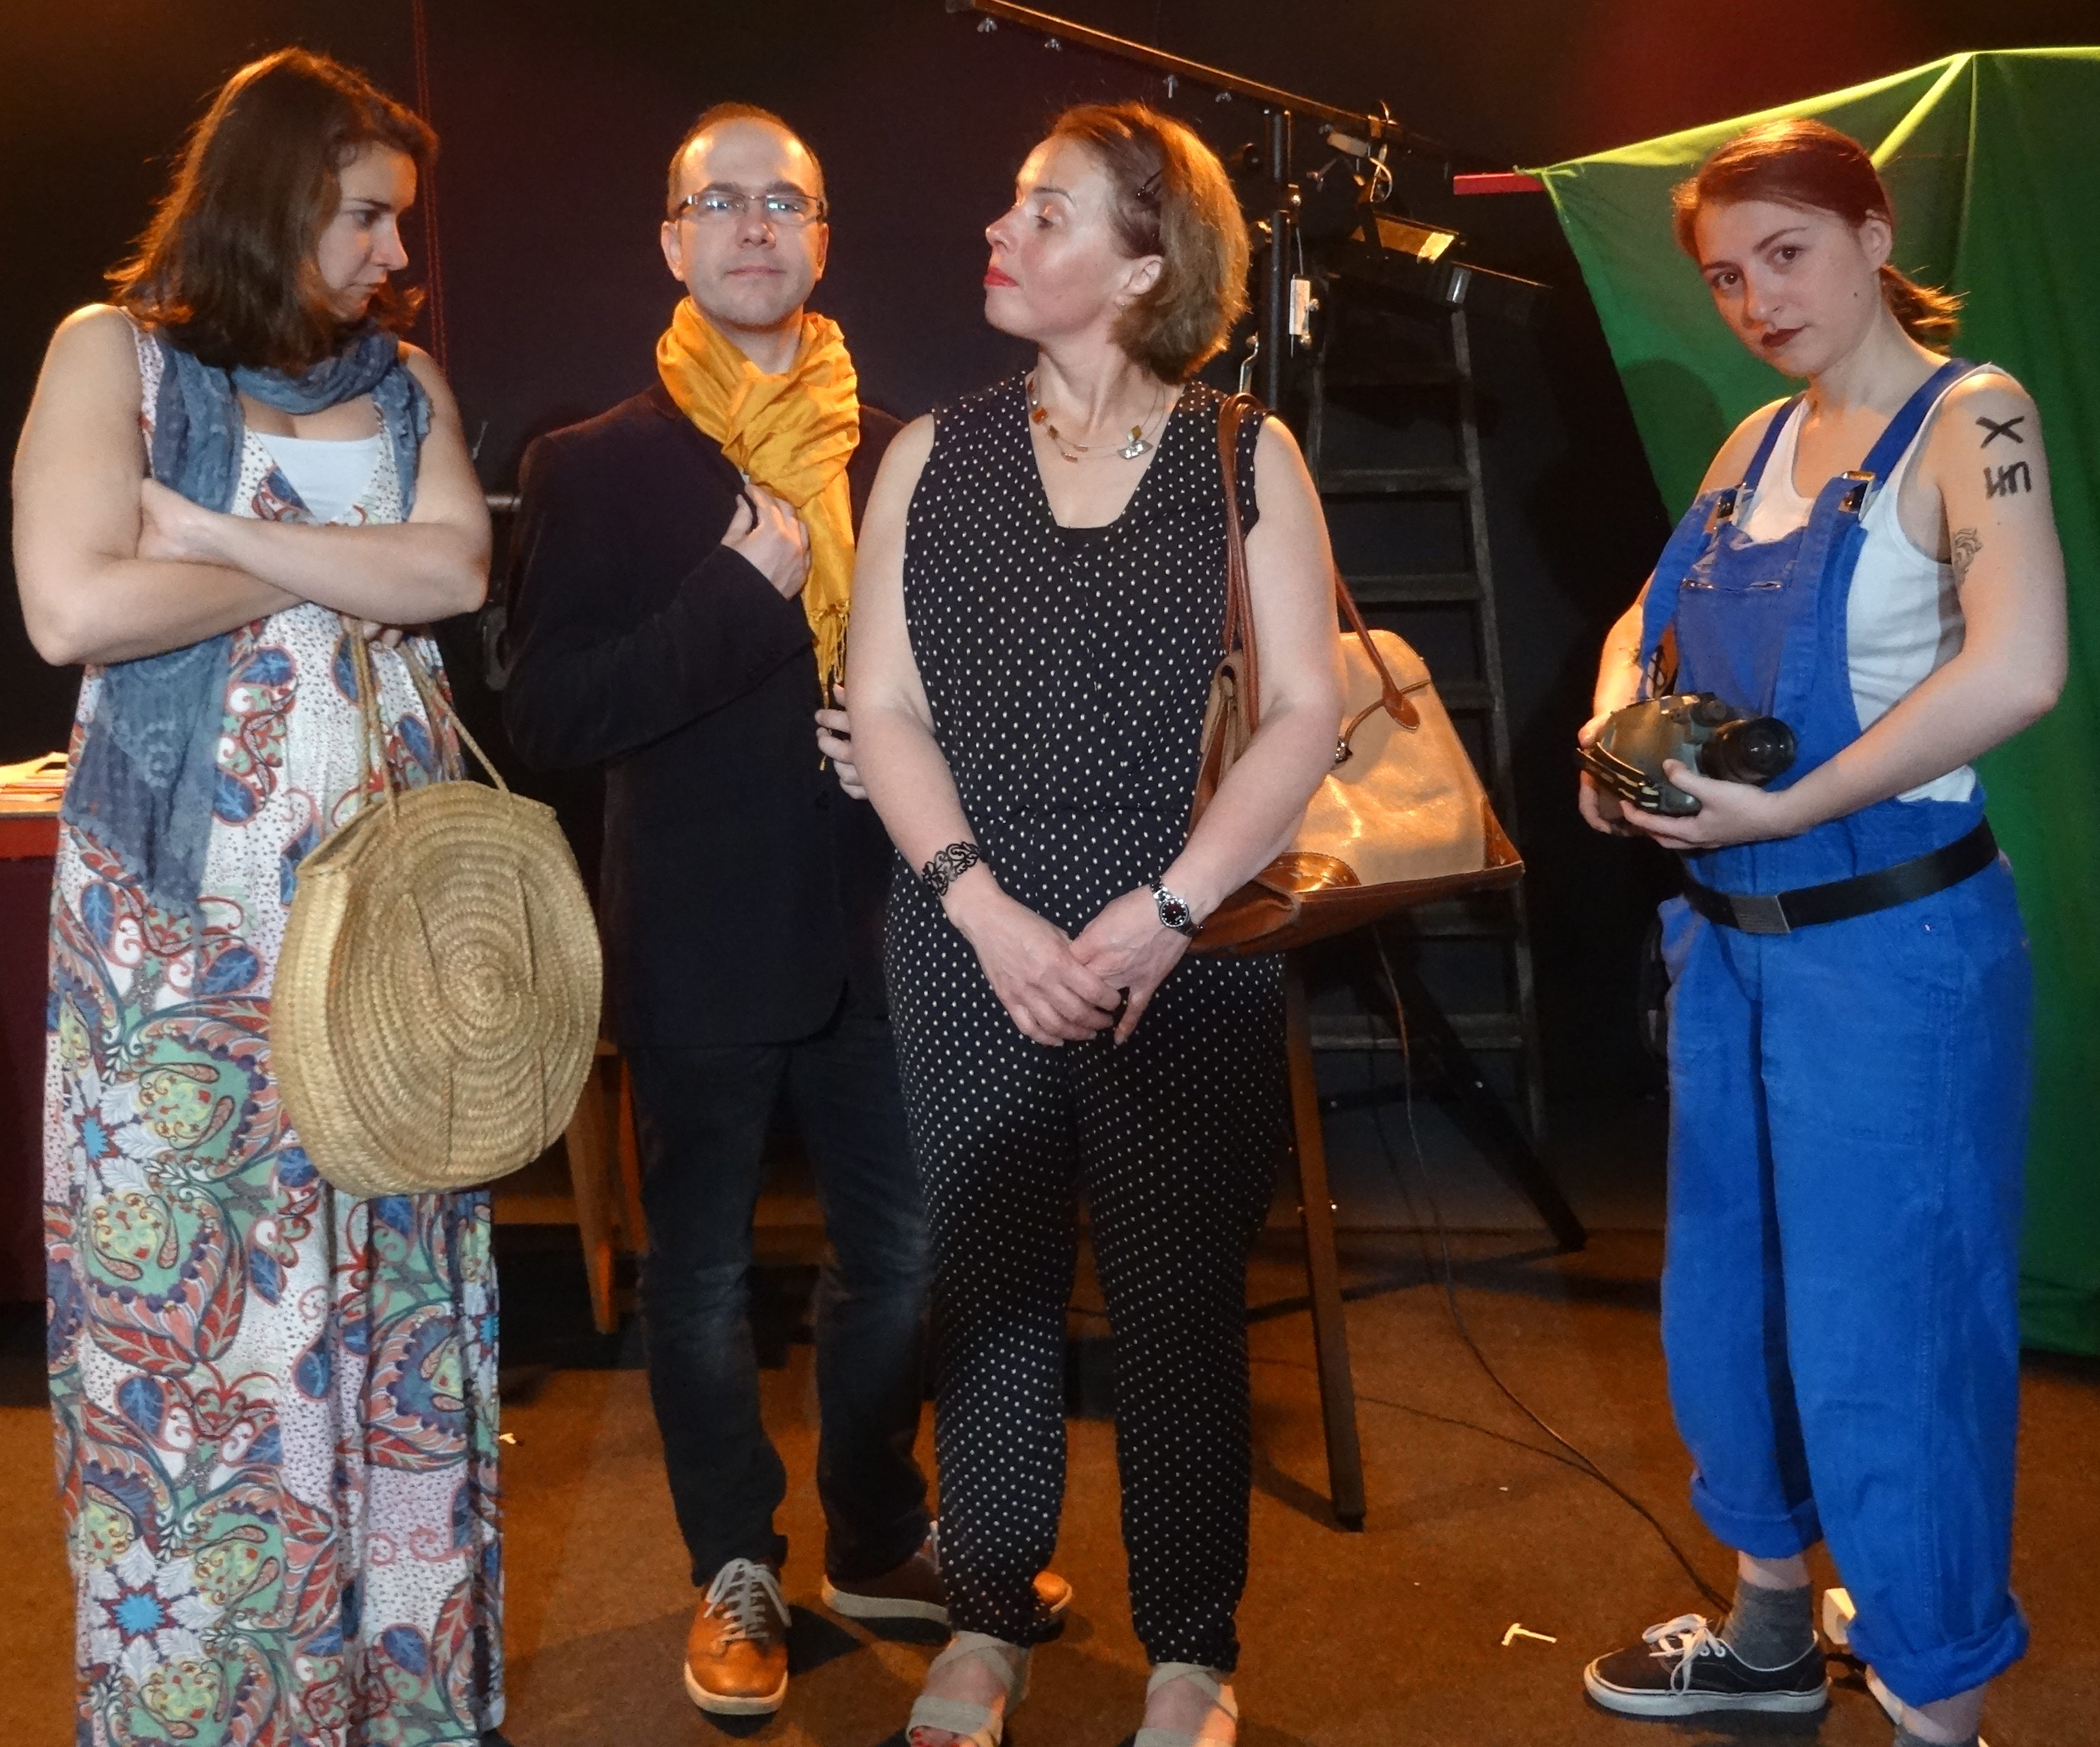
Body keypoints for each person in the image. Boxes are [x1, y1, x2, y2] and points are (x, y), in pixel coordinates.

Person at [500, 103, 1067, 1722]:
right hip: (695, 939)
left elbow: (998, 685)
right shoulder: (589, 466)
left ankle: (876, 1534)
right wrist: (736, 599)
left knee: (905, 1255)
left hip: (894, 923)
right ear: (672, 241)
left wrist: (921, 746)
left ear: (823, 237)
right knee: (695, 1280)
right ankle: (732, 1565)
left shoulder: (914, 452)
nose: (754, 227)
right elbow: (549, 714)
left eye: (785, 203)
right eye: (721, 203)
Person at [14, 49, 505, 1746]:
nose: (394, 253)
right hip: (178, 935)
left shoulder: (408, 380)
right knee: (200, 1329)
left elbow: (454, 569)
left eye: (398, 221)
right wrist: (333, 568)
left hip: (395, 929)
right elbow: (74, 607)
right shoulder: (115, 354)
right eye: (365, 215)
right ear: (273, 196)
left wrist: (211, 538)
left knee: (394, 1307)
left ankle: (394, 1702)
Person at [846, 102, 1344, 1747]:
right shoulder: (929, 454)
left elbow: (1305, 713)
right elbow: (885, 710)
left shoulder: (1246, 453)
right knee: (987, 1284)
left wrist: (1172, 907)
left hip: (1180, 938)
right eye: (1012, 202)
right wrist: (979, 906)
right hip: (966, 929)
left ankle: (1192, 1654)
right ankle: (988, 1620)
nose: (1000, 230)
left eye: (1044, 211)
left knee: (1180, 1300)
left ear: (1143, 266)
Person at [1574, 120, 2066, 1747]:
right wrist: (1612, 734)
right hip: (1729, 953)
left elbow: (2021, 667)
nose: (1756, 300)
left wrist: (1789, 806)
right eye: (1725, 276)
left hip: (1896, 959)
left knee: (1896, 1337)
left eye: (1785, 254)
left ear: (1872, 232)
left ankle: (1936, 1704)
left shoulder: (1975, 416)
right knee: (1734, 1300)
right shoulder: (1754, 442)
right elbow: (1644, 620)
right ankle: (1773, 1633)